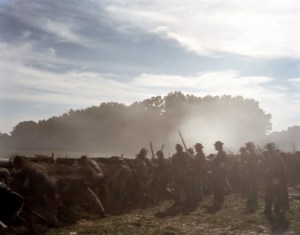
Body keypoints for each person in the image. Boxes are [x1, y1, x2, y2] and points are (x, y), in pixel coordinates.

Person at [263, 143, 289, 216]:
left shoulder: (275, 157)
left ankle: (275, 210)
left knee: (276, 194)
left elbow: (276, 168)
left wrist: (267, 171)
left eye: (269, 149)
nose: (268, 150)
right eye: (268, 149)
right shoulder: (272, 157)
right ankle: (269, 210)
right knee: (270, 194)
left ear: (272, 149)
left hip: (278, 179)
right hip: (274, 179)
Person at [210, 141, 227, 209]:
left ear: (219, 146)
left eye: (216, 146)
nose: (215, 147)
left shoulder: (222, 153)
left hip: (221, 170)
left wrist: (213, 161)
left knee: (220, 184)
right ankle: (219, 197)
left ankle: (220, 198)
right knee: (219, 184)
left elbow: (220, 162)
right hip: (220, 170)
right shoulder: (220, 152)